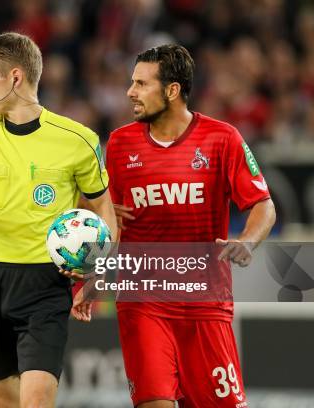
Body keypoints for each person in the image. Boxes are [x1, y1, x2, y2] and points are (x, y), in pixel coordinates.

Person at [0, 32, 117, 408]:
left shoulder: (77, 139)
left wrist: (98, 270)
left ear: (15, 77)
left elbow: (103, 208)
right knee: (4, 402)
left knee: (37, 399)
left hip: (47, 282)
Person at [106, 44, 276, 408]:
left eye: (140, 84)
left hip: (205, 302)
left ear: (172, 90)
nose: (130, 92)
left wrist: (246, 241)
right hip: (143, 299)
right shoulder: (120, 143)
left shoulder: (221, 138)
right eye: (131, 83)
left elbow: (263, 204)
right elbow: (109, 219)